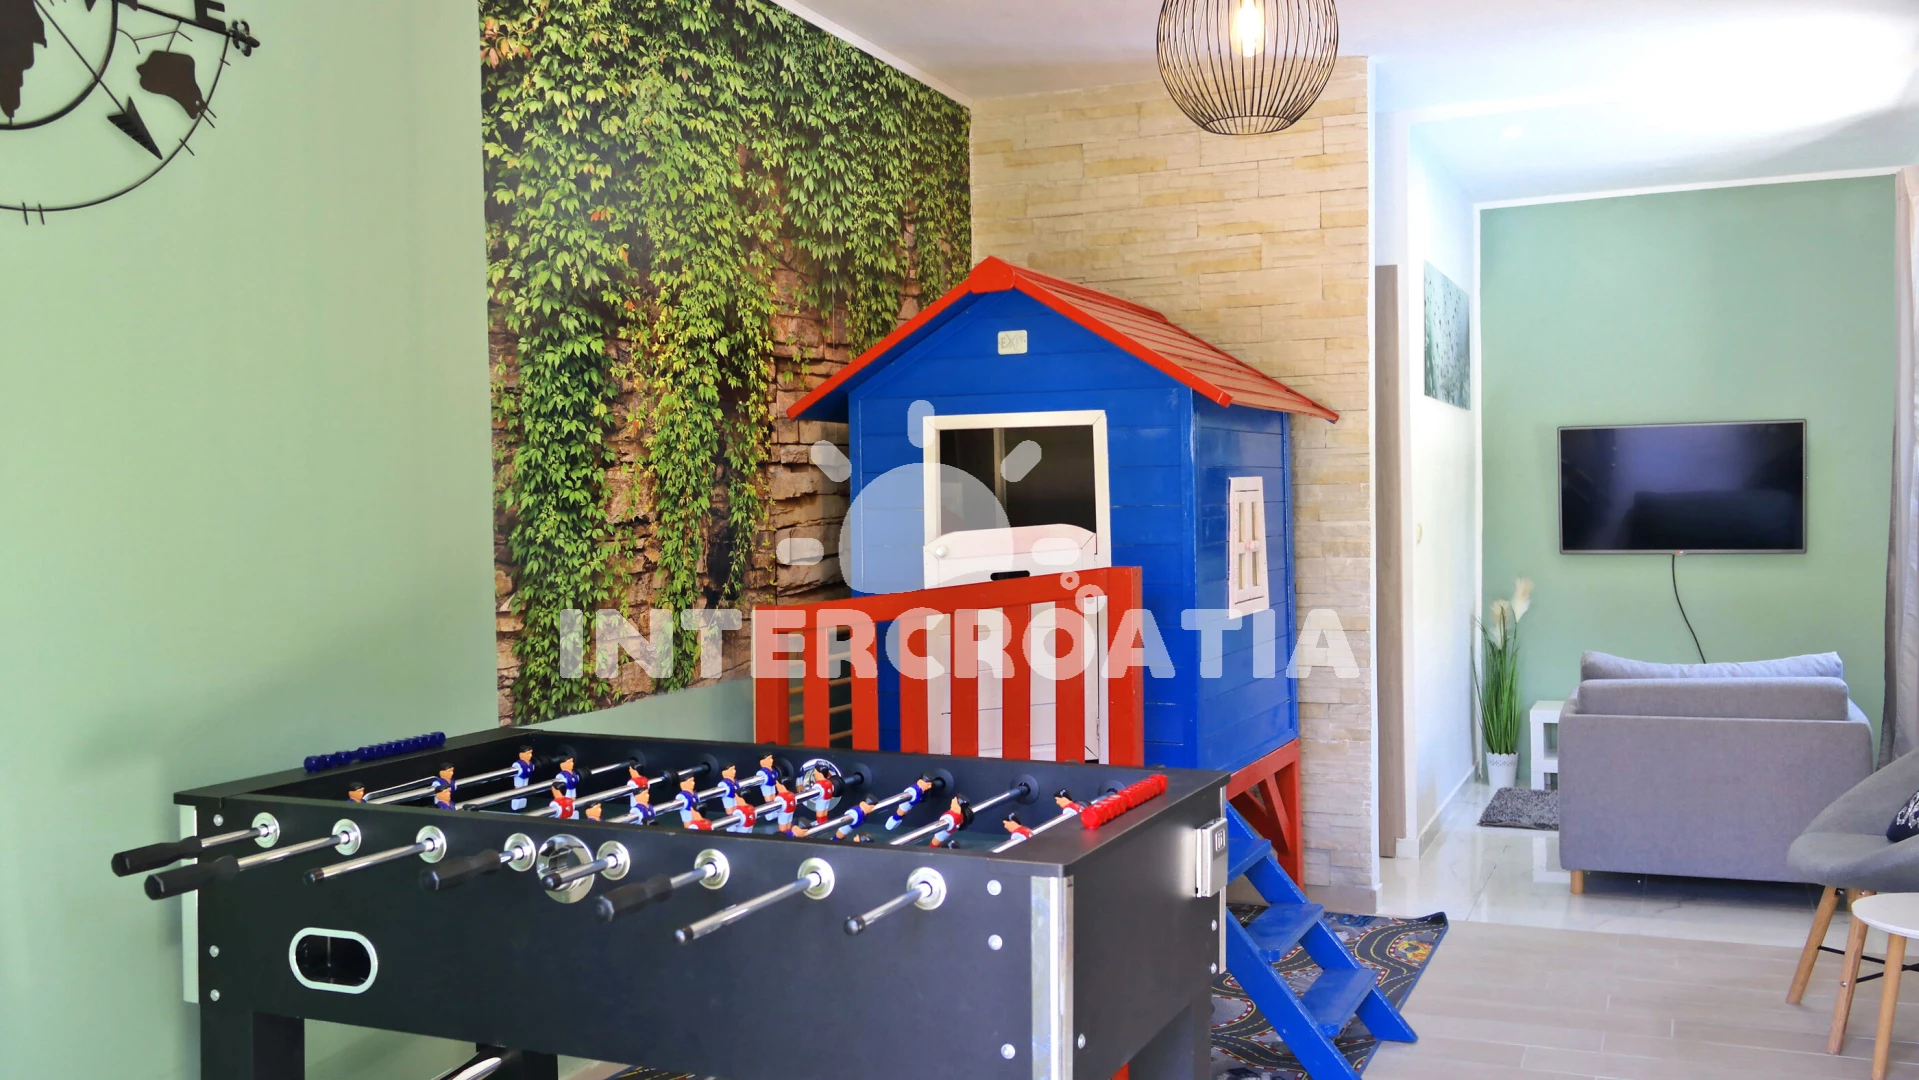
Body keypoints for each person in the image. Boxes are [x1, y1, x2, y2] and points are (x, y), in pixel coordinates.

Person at [509, 745, 536, 811]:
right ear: (521, 755)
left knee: (525, 789)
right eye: (528, 753)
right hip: (519, 779)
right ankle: (516, 802)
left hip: (526, 779)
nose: (530, 755)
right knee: (519, 789)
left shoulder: (530, 764)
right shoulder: (517, 764)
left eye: (531, 753)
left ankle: (522, 802)